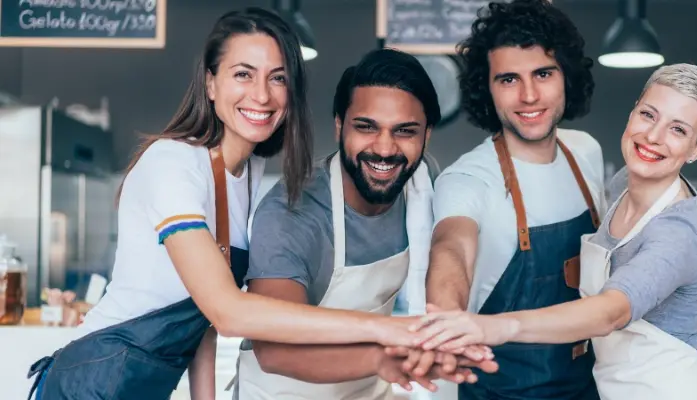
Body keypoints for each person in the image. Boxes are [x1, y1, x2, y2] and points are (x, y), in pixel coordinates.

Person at [26, 8, 437, 400]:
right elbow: (228, 312)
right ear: (210, 83)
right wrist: (387, 332)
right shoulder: (173, 162)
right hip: (91, 380)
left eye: (277, 79)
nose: (261, 94)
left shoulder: (245, 174)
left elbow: (202, 320)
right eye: (243, 74)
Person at [413, 64, 697, 400]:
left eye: (678, 129)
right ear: (633, 111)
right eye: (648, 115)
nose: (653, 136)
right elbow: (451, 245)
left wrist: (492, 327)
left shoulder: (679, 230)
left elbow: (611, 311)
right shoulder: (623, 184)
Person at [233, 48, 497, 400]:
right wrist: (382, 358)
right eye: (366, 127)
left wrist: (444, 337)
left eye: (405, 131)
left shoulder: (420, 183)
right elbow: (275, 349)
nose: (385, 149)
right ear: (340, 125)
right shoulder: (293, 212)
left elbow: (450, 248)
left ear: (426, 135)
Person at [421, 0, 606, 398]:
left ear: (566, 77)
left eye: (543, 73)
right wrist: (448, 321)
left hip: (588, 389)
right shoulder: (468, 179)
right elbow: (451, 248)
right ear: (486, 90)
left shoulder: (586, 153)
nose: (529, 95)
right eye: (508, 79)